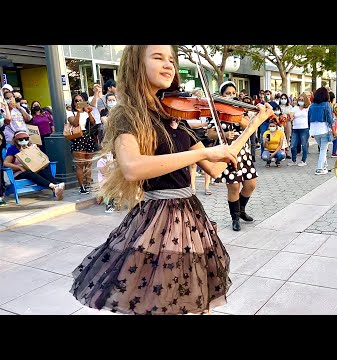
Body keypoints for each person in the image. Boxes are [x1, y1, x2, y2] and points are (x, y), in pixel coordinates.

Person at [70, 45, 273, 315]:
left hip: (190, 215)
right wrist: (204, 152)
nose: (168, 65)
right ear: (136, 64)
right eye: (158, 58)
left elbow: (215, 166)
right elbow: (132, 168)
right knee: (163, 301)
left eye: (171, 60)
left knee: (197, 301)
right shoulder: (127, 114)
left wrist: (253, 125)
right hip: (158, 218)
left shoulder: (174, 116)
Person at [207, 80, 259, 232]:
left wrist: (236, 113)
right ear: (221, 95)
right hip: (227, 154)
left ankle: (241, 209)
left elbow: (249, 126)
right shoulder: (217, 113)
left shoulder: (240, 111)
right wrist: (224, 133)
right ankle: (235, 217)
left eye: (233, 93)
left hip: (243, 153)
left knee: (250, 184)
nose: (231, 96)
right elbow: (209, 134)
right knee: (234, 187)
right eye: (227, 94)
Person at [3, 130, 64, 200]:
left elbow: (45, 159)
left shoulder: (32, 147)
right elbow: (6, 163)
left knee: (43, 171)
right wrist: (19, 167)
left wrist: (37, 150)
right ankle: (54, 186)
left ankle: (55, 187)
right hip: (20, 172)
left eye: (26, 139)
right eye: (20, 139)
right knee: (30, 173)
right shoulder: (13, 149)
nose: (23, 140)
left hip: (34, 169)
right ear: (16, 140)